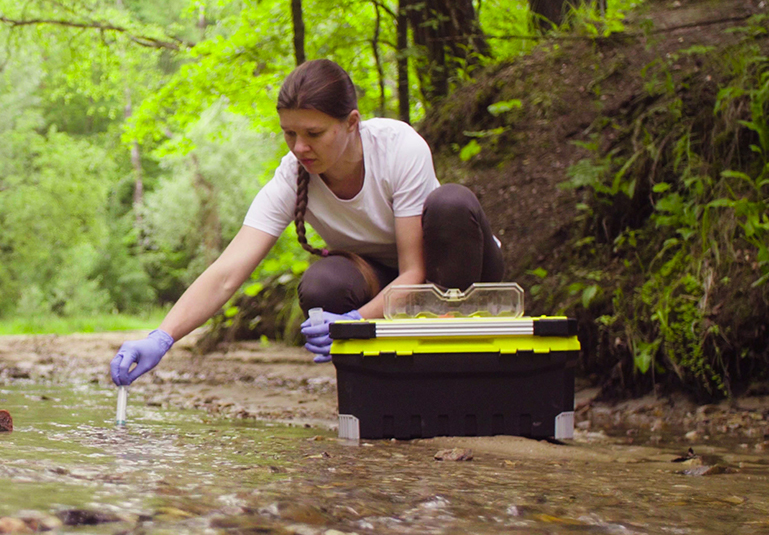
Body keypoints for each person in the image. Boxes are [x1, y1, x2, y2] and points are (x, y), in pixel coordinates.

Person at [109, 58, 504, 386]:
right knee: (323, 284)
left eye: (313, 133)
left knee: (452, 203)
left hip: (453, 272)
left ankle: (463, 374)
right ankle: (382, 390)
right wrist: (162, 337)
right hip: (382, 280)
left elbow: (416, 272)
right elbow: (227, 273)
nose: (300, 147)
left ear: (351, 123)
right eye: (289, 133)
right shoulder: (291, 175)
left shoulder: (398, 147)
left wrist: (353, 323)